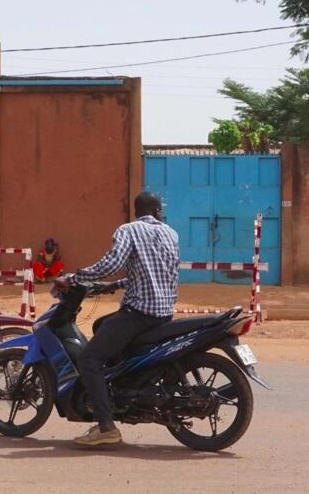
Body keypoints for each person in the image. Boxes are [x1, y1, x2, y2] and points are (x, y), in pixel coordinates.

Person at [60, 191, 179, 447]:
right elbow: (160, 275)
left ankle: (106, 426)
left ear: (136, 211)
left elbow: (110, 263)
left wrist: (76, 277)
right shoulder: (171, 233)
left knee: (89, 359)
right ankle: (120, 386)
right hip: (164, 313)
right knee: (101, 324)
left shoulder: (129, 230)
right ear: (158, 211)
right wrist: (114, 285)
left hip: (139, 314)